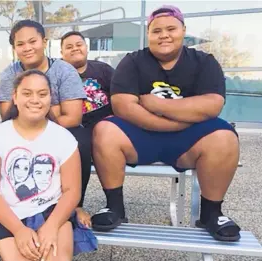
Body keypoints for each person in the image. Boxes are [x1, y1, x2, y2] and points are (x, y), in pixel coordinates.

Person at [90, 5, 241, 242]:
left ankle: (212, 214)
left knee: (225, 136)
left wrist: (157, 105)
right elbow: (122, 105)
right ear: (148, 34)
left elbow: (211, 105)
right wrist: (182, 117)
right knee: (104, 130)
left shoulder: (204, 62)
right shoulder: (133, 61)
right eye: (156, 30)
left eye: (171, 28)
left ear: (183, 30)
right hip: (140, 138)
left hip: (189, 142)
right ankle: (114, 208)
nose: (164, 35)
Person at [0, 70, 97, 261]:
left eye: (42, 94)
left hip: (51, 211)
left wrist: (51, 226)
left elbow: (71, 191)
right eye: (27, 93)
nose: (35, 99)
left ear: (50, 98)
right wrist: (18, 230)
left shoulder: (64, 138)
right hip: (9, 215)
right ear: (15, 97)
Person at [0, 19, 94, 228]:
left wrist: (37, 115)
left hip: (60, 131)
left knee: (80, 141)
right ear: (14, 48)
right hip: (20, 130)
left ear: (44, 41)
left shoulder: (64, 71)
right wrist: (54, 109)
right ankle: (7, 201)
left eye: (33, 41)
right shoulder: (8, 75)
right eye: (20, 44)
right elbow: (8, 116)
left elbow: (74, 117)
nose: (27, 48)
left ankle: (74, 205)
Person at [60, 31, 116, 227]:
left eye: (79, 44)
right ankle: (75, 205)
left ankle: (114, 205)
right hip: (75, 128)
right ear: (61, 52)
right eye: (69, 46)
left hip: (106, 127)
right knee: (79, 144)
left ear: (86, 47)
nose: (75, 48)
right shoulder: (59, 73)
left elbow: (120, 98)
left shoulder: (103, 70)